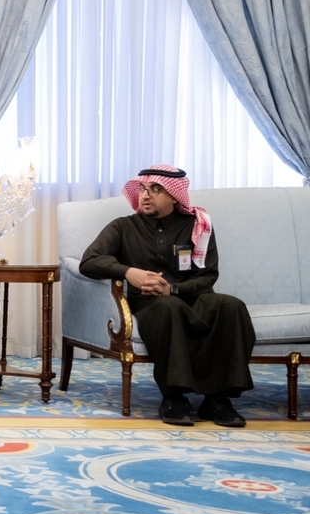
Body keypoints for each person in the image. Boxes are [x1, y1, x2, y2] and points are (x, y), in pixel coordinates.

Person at [79, 165, 252, 427]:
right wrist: (129, 272)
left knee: (231, 306)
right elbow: (89, 261)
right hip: (148, 302)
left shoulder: (197, 225)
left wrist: (173, 289)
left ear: (174, 195)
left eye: (155, 189)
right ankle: (174, 398)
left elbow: (207, 275)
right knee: (168, 308)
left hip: (191, 296)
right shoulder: (124, 226)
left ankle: (217, 399)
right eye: (142, 189)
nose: (145, 195)